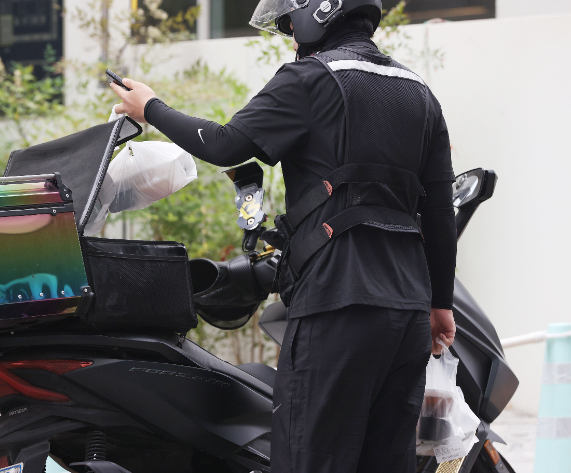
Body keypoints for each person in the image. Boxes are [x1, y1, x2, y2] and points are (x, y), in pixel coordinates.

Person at [111, 0, 456, 471]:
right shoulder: (420, 93)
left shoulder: (310, 78)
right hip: (409, 312)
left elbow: (226, 144)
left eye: (290, 23)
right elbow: (438, 211)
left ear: (320, 12)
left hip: (338, 304)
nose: (291, 35)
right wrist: (440, 304)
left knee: (311, 458)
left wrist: (151, 107)